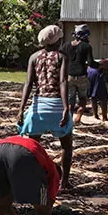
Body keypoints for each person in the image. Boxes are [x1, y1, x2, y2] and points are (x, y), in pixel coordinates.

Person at [18, 24, 73, 189]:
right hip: (56, 104)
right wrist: (66, 107)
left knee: (33, 146)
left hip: (39, 105)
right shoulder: (62, 57)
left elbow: (28, 83)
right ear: (58, 40)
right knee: (67, 146)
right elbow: (63, 81)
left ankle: (32, 177)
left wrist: (21, 108)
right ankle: (64, 182)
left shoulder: (34, 57)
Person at [60, 24, 99, 124]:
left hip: (69, 76)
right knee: (82, 98)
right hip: (82, 76)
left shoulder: (66, 45)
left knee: (70, 100)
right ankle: (79, 114)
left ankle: (69, 118)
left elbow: (61, 59)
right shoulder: (86, 47)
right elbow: (90, 63)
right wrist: (100, 65)